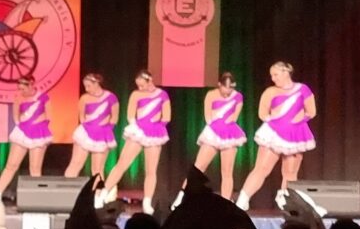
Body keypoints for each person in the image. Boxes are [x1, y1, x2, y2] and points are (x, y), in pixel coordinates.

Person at [236, 61, 317, 211]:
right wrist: (275, 120)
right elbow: (262, 113)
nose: (273, 78)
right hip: (274, 133)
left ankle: (285, 201)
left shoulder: (303, 89)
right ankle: (243, 200)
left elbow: (311, 111)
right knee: (262, 168)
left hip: (295, 134)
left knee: (290, 172)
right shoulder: (270, 92)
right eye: (271, 75)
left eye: (276, 74)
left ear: (286, 72)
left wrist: (299, 120)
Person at [98, 70, 171, 214]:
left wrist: (157, 126)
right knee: (121, 164)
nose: (140, 88)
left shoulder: (162, 95)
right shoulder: (136, 94)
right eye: (138, 85)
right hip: (138, 131)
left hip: (154, 132)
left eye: (143, 85)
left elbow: (167, 116)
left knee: (151, 170)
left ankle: (147, 202)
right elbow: (130, 115)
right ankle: (103, 194)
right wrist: (137, 127)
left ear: (150, 81)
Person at [173, 72, 246, 208]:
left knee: (227, 171)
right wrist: (216, 128)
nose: (227, 92)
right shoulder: (211, 95)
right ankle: (181, 197)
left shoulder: (238, 97)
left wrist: (225, 125)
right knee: (198, 168)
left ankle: (226, 205)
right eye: (225, 88)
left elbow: (234, 117)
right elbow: (208, 117)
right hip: (213, 132)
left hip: (230, 134)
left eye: (230, 89)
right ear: (219, 85)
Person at [0, 76, 52, 200]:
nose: (21, 91)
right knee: (11, 165)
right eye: (19, 89)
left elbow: (48, 116)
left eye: (23, 89)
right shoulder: (19, 98)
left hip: (38, 132)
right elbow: (16, 117)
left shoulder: (43, 97)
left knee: (35, 168)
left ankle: (37, 198)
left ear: (31, 84)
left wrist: (35, 123)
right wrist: (22, 125)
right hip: (23, 132)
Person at [64, 73, 119, 178]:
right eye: (85, 86)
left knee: (97, 169)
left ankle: (97, 189)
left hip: (102, 134)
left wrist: (106, 130)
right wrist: (87, 128)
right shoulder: (84, 98)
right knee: (75, 163)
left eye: (88, 86)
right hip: (86, 132)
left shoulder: (111, 97)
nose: (86, 89)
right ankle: (67, 187)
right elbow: (82, 116)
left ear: (97, 83)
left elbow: (114, 117)